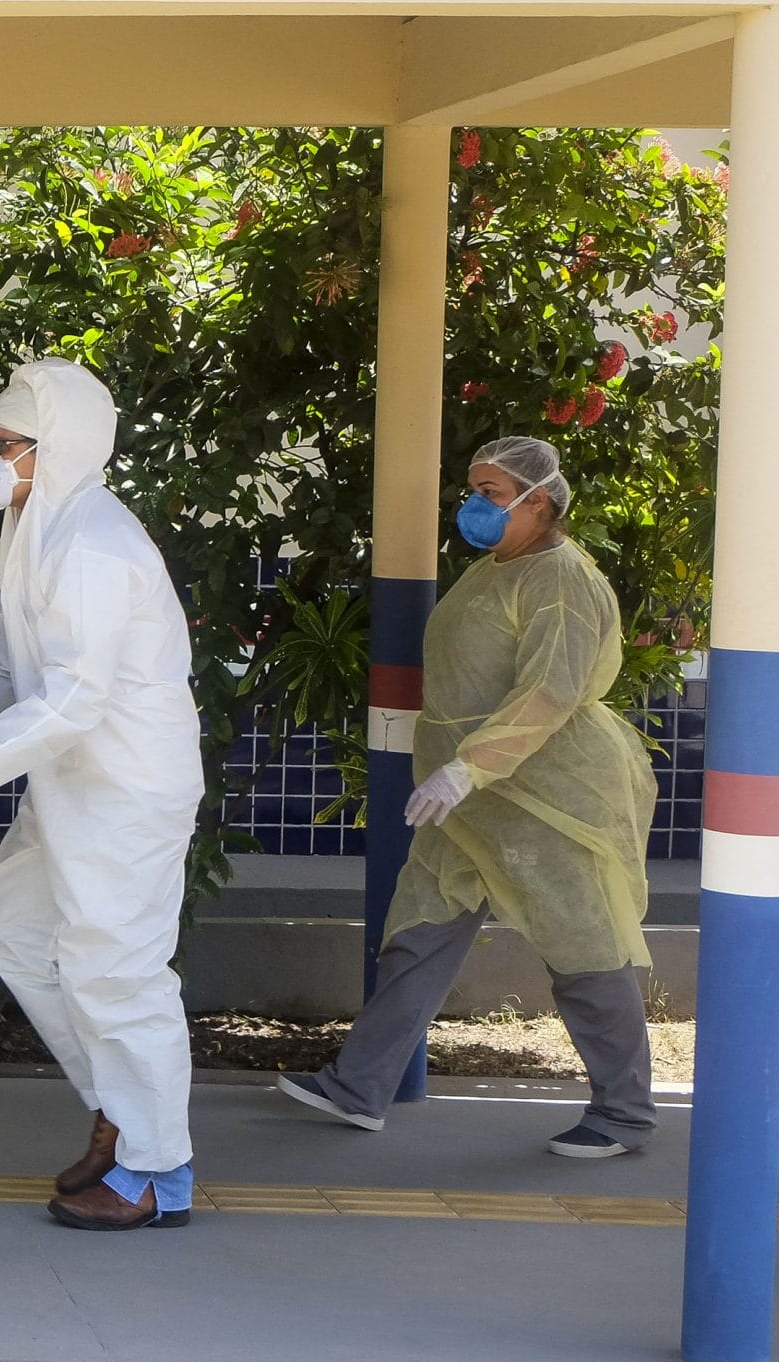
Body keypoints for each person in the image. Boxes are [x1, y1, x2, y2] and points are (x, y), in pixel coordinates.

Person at [0, 358, 206, 1232]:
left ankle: (154, 1169)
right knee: (21, 933)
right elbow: (4, 661)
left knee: (118, 969)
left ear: (55, 449)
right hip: (73, 778)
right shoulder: (36, 525)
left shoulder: (95, 546)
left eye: (4, 445)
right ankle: (121, 1109)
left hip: (126, 785)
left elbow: (73, 697)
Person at [276, 436, 659, 1158]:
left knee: (583, 945)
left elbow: (551, 689)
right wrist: (458, 776)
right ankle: (361, 1085)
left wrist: (467, 766)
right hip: (467, 799)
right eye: (474, 489)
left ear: (538, 500)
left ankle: (625, 1111)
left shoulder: (561, 579)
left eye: (490, 491)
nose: (474, 505)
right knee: (417, 933)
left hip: (545, 796)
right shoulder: (494, 571)